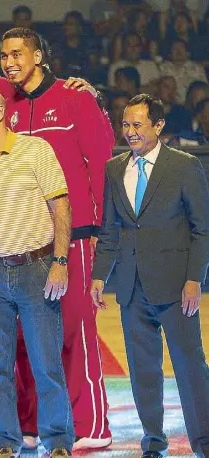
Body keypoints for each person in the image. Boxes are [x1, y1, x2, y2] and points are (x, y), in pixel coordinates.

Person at [0, 2, 114, 450]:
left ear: (39, 57)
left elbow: (103, 165)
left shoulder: (75, 98)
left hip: (76, 235)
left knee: (75, 333)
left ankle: (91, 426)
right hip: (25, 240)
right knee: (27, 343)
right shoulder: (4, 104)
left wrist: (103, 236)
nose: (9, 62)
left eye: (18, 54)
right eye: (3, 55)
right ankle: (30, 426)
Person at [0, 88, 75, 458]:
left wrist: (61, 261)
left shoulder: (35, 150)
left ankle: (56, 441)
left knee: (46, 364)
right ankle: (6, 441)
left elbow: (61, 206)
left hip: (37, 269)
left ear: (1, 112)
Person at [91, 94, 209, 458]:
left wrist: (194, 280)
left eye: (137, 125)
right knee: (142, 369)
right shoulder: (114, 168)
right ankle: (153, 443)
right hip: (130, 286)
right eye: (125, 125)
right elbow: (111, 229)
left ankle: (204, 444)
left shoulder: (184, 166)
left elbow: (201, 229)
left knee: (190, 365)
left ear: (158, 126)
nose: (130, 132)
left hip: (176, 285)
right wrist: (98, 276)